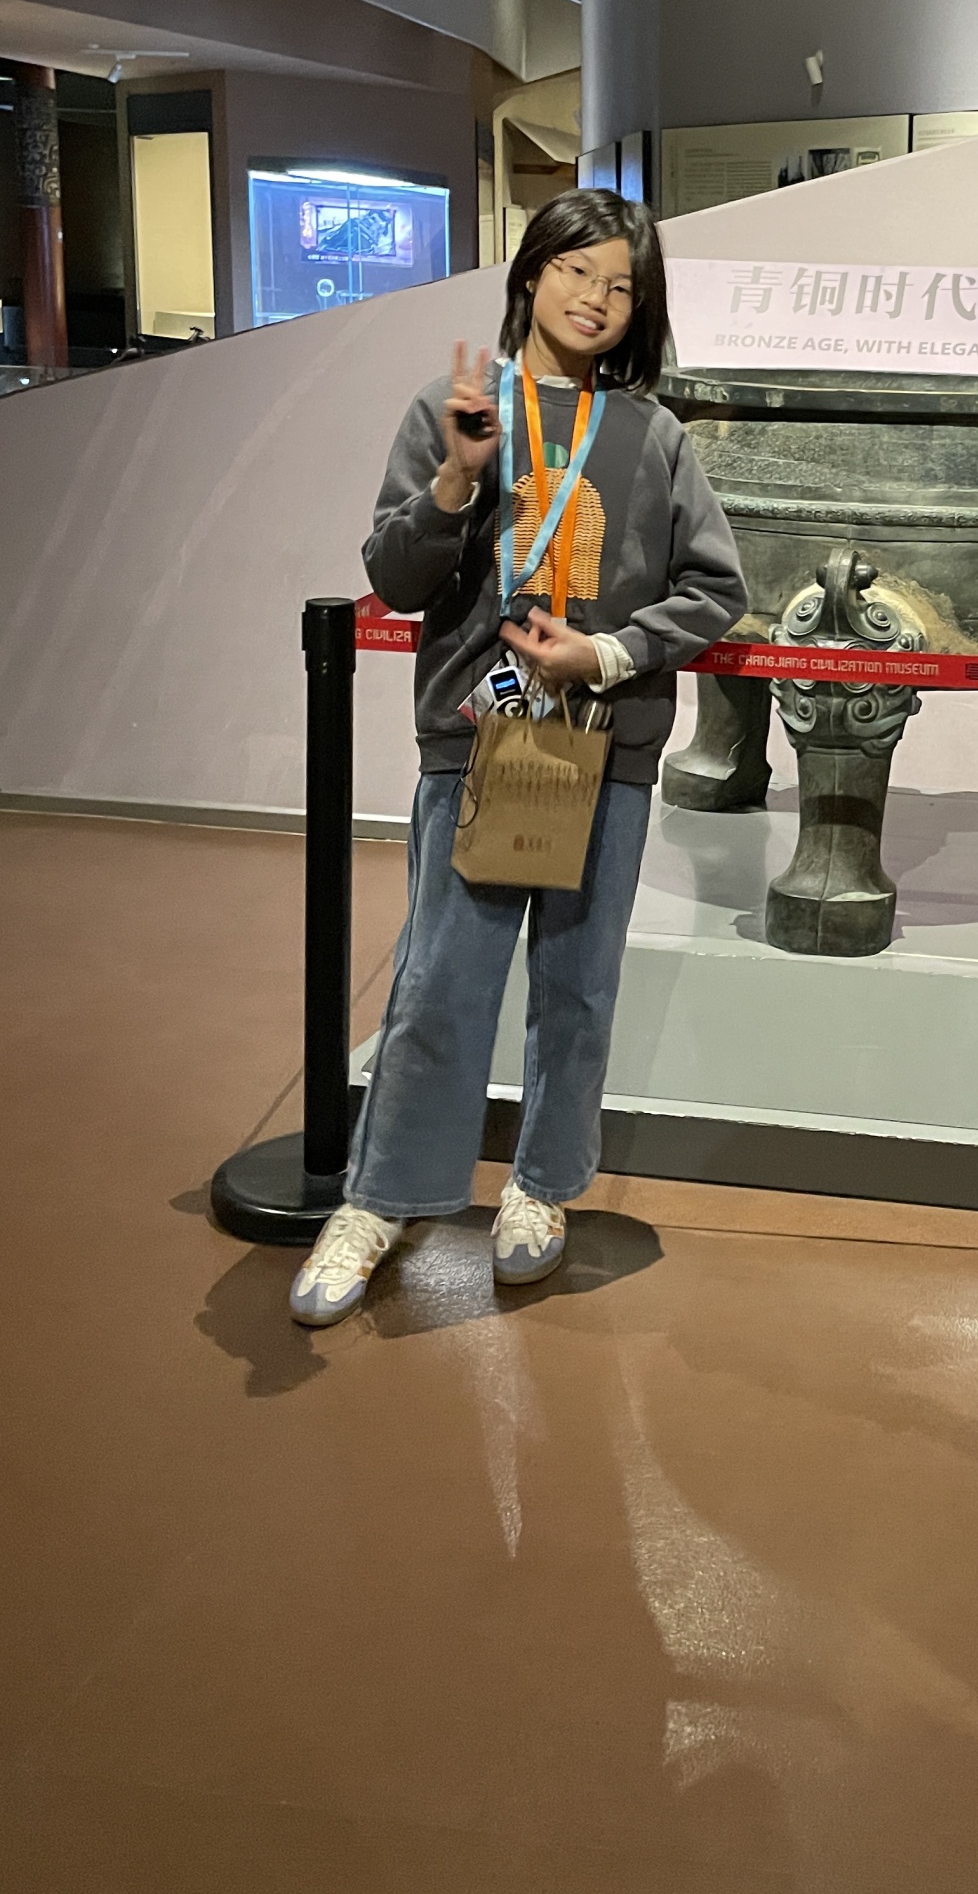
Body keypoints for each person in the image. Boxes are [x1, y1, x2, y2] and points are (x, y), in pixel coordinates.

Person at [289, 188, 748, 1327]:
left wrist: (604, 653)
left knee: (578, 984)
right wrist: (454, 480)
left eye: (622, 285)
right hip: (478, 737)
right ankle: (381, 1199)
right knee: (440, 981)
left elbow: (715, 589)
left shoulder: (653, 434)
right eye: (577, 270)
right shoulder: (455, 408)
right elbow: (396, 577)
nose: (596, 298)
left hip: (604, 744)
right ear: (532, 273)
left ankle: (541, 1186)